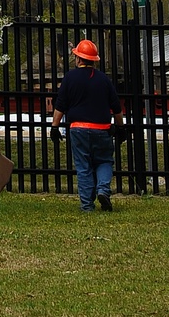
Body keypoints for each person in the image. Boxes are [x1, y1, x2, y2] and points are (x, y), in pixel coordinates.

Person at [52, 37, 125, 213]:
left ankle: (87, 206)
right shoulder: (104, 80)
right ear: (94, 60)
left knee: (83, 166)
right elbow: (116, 107)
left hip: (78, 128)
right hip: (102, 128)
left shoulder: (70, 78)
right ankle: (103, 190)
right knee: (105, 161)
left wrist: (54, 127)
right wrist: (120, 127)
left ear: (78, 58)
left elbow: (60, 105)